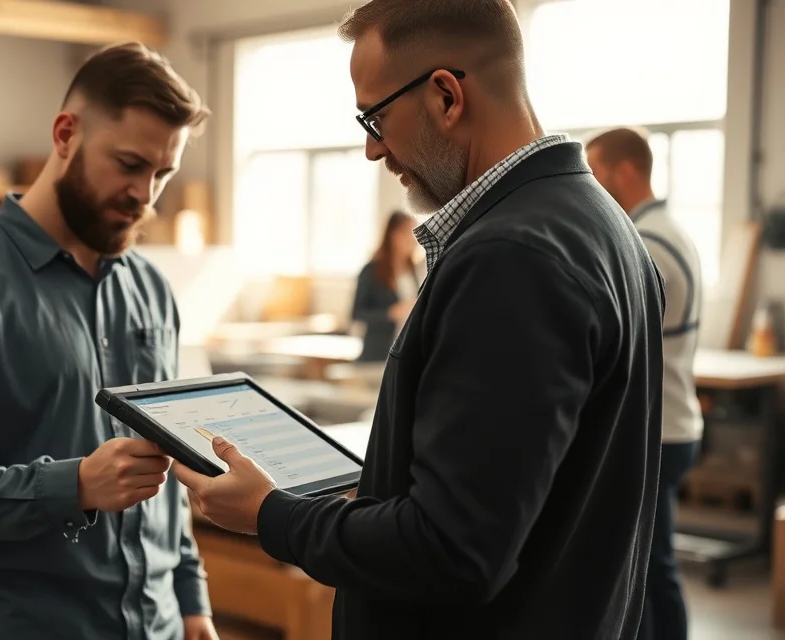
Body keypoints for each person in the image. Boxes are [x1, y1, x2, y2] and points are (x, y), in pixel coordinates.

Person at [173, 2, 666, 639]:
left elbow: (452, 551)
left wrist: (273, 515)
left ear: (444, 95)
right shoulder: (601, 224)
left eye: (374, 117)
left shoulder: (511, 258)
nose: (372, 148)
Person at [0, 42, 219, 640]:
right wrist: (74, 485)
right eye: (130, 164)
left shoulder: (153, 290)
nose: (146, 195)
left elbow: (163, 472)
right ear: (66, 134)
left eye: (163, 174)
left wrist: (192, 603)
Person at [587, 126, 703, 640]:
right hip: (676, 420)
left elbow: (615, 336)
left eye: (597, 170)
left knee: (650, 572)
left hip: (658, 429)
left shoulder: (647, 243)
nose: (591, 183)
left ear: (625, 170)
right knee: (654, 566)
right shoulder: (672, 232)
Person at [350, 210, 421, 361]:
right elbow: (356, 313)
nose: (414, 240)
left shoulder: (412, 270)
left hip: (405, 352)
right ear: (394, 236)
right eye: (410, 233)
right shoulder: (371, 271)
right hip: (377, 353)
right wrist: (390, 313)